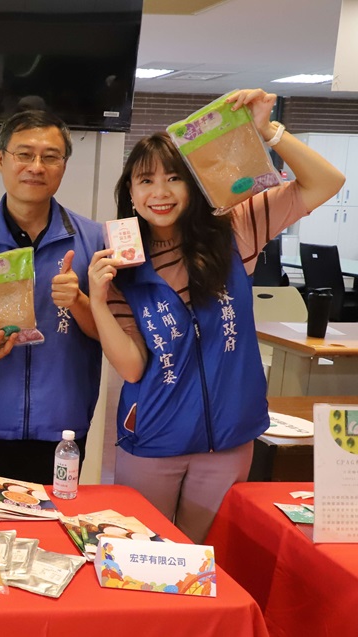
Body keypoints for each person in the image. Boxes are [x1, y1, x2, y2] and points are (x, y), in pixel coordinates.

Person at [87, 89, 345, 543]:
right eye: (146, 180)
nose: (160, 192)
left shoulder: (236, 230)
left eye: (174, 178)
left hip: (228, 438)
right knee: (144, 555)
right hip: (155, 438)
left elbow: (327, 182)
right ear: (130, 191)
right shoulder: (122, 263)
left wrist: (268, 131)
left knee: (209, 558)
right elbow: (131, 367)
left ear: (194, 184)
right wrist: (96, 297)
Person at [0, 109, 103, 484]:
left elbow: (114, 333)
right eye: (24, 154)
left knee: (55, 518)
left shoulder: (95, 241)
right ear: (1, 159)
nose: (36, 167)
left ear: (64, 166)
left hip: (62, 427)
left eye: (50, 156)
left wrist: (79, 301)